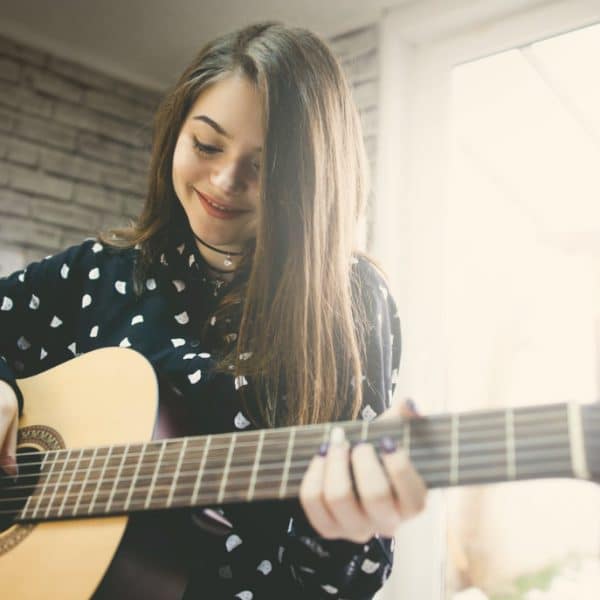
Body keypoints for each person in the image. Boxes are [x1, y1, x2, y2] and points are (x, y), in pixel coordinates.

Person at [0, 21, 427, 599]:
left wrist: (345, 535)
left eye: (266, 166)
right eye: (206, 144)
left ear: (311, 181)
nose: (225, 181)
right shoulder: (95, 271)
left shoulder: (352, 301)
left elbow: (340, 584)